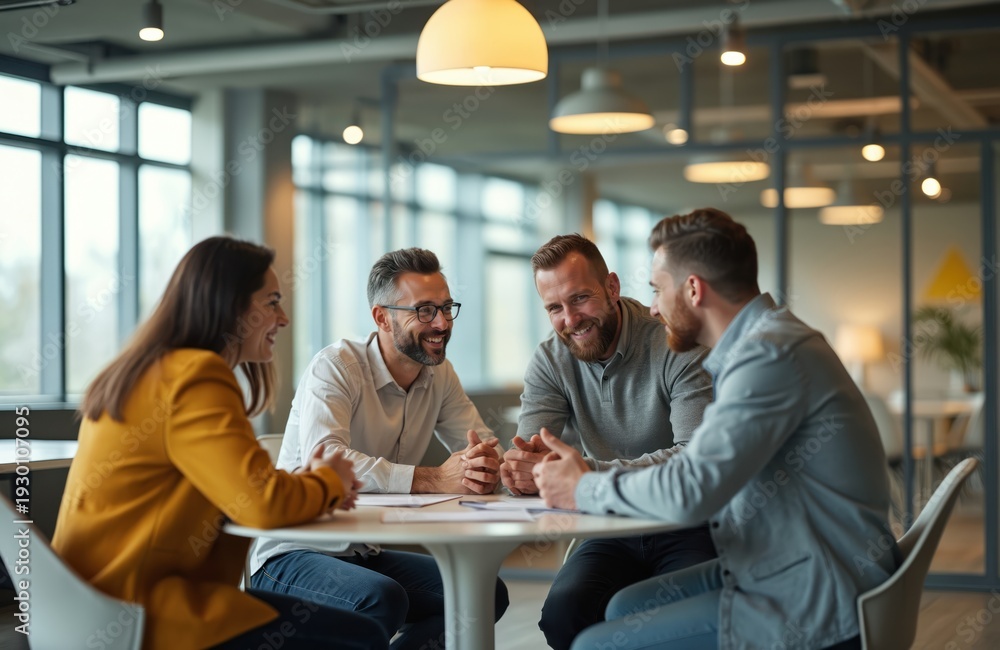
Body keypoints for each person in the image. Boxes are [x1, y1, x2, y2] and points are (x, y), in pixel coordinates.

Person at [534, 208, 899, 650]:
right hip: (776, 565)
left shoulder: (768, 358)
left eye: (656, 289)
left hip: (814, 598)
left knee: (595, 645)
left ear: (693, 290)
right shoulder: (762, 344)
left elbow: (694, 486)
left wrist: (585, 486)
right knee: (621, 609)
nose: (650, 306)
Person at [51, 236, 387, 650]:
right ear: (230, 306)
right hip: (141, 611)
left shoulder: (152, 372)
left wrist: (304, 482)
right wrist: (329, 481)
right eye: (272, 302)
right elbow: (260, 505)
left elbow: (237, 489)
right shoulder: (196, 376)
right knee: (362, 635)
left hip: (86, 608)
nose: (283, 318)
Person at [252, 247, 508, 649]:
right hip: (293, 551)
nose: (441, 323)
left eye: (445, 307)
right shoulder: (335, 367)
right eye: (424, 310)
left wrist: (488, 465)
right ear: (381, 317)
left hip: (361, 551)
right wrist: (435, 478)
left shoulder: (440, 375)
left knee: (484, 594)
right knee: (382, 599)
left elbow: (479, 442)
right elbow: (327, 460)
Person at [499, 234, 717, 650]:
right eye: (554, 308)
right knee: (564, 615)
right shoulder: (551, 359)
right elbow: (531, 456)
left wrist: (583, 476)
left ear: (612, 288)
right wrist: (520, 472)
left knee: (672, 628)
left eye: (580, 299)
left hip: (684, 522)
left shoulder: (677, 345)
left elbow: (693, 458)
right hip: (608, 523)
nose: (570, 319)